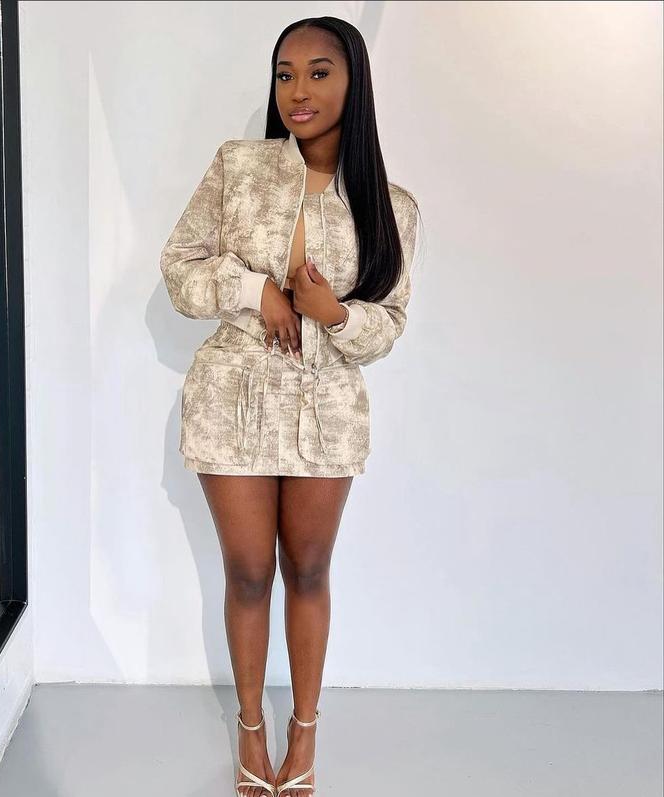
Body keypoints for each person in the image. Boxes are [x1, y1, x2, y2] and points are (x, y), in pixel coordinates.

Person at [160, 16, 421, 797]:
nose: (297, 90)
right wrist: (256, 290)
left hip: (327, 408)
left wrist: (332, 313)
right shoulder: (238, 166)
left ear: (353, 81)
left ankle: (304, 728)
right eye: (284, 74)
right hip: (231, 399)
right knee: (248, 572)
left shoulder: (392, 205)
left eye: (318, 72)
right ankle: (250, 725)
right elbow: (180, 270)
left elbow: (389, 324)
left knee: (308, 568)